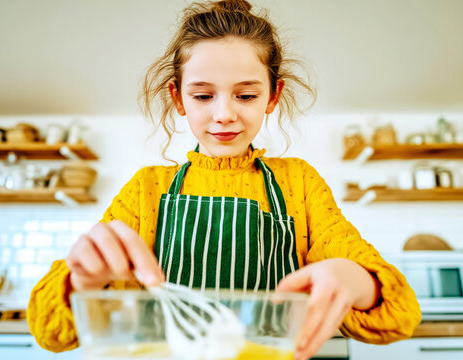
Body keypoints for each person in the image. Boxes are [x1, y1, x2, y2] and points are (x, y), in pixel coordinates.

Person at [27, 1, 421, 359]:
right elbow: (49, 330)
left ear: (272, 96)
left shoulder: (299, 184)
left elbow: (400, 314)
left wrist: (352, 279)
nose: (224, 115)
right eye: (202, 96)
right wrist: (84, 278)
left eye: (246, 96)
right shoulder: (146, 189)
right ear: (178, 98)